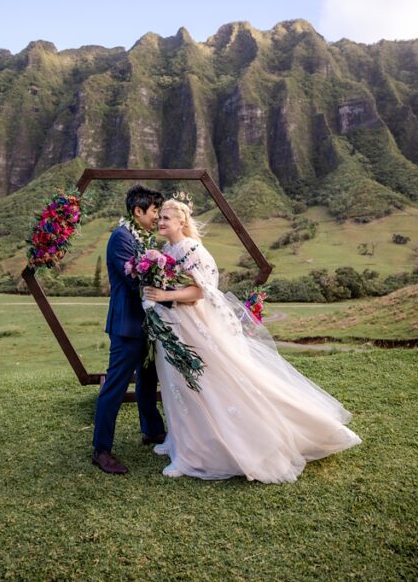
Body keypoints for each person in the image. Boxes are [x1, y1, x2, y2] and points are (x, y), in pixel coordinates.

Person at [141, 196, 361, 482]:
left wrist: (165, 295)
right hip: (173, 325)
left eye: (166, 218)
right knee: (178, 385)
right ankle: (181, 443)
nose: (160, 222)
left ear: (181, 221)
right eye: (159, 218)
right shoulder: (167, 249)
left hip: (194, 326)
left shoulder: (191, 249)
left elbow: (201, 292)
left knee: (202, 383)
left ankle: (198, 453)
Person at [92, 184, 167, 474]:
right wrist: (168, 283)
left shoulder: (142, 236)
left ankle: (152, 429)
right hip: (127, 325)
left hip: (145, 324)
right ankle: (101, 450)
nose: (157, 217)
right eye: (154, 211)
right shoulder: (121, 238)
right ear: (138, 211)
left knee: (148, 380)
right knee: (115, 386)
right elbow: (136, 280)